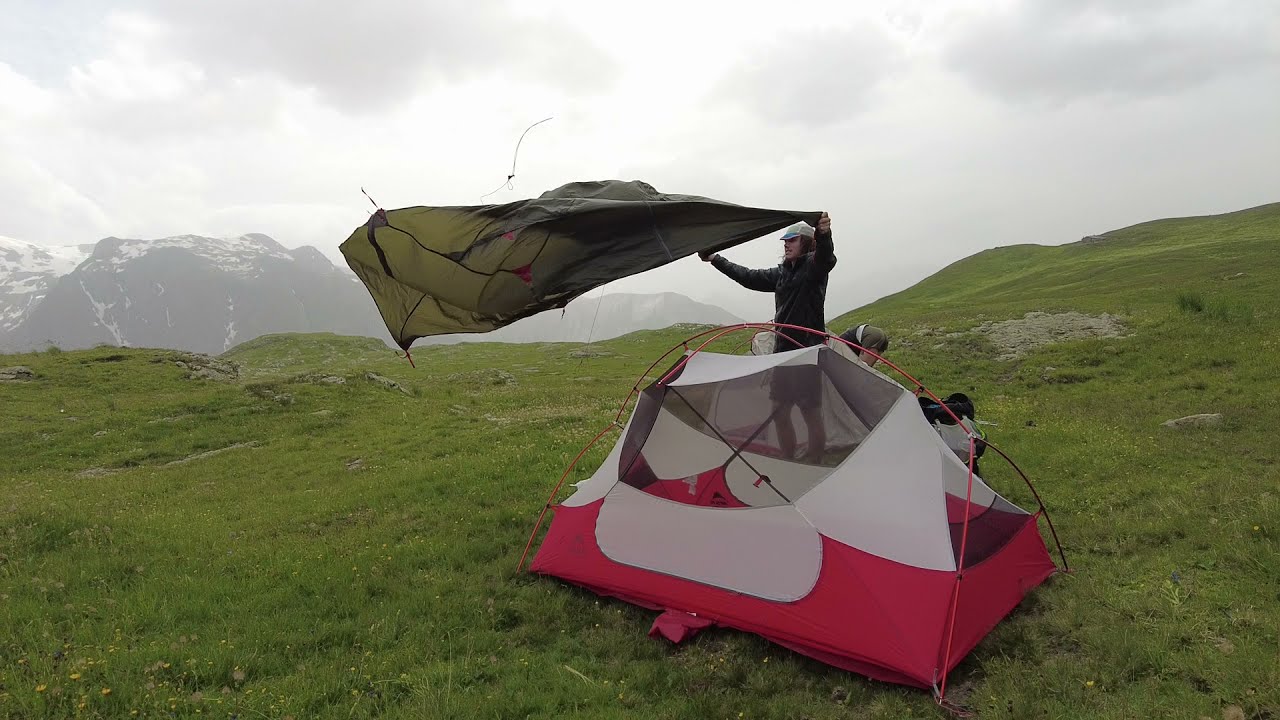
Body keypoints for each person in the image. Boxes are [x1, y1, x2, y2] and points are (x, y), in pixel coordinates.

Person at [699, 213, 836, 462]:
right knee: (779, 412)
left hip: (806, 352)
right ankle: (788, 458)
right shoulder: (781, 273)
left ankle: (816, 459)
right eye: (784, 240)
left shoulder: (814, 269)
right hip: (782, 353)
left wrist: (824, 234)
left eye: (792, 239)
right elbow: (748, 277)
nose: (786, 244)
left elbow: (827, 257)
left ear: (806, 242)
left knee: (810, 411)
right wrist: (715, 259)